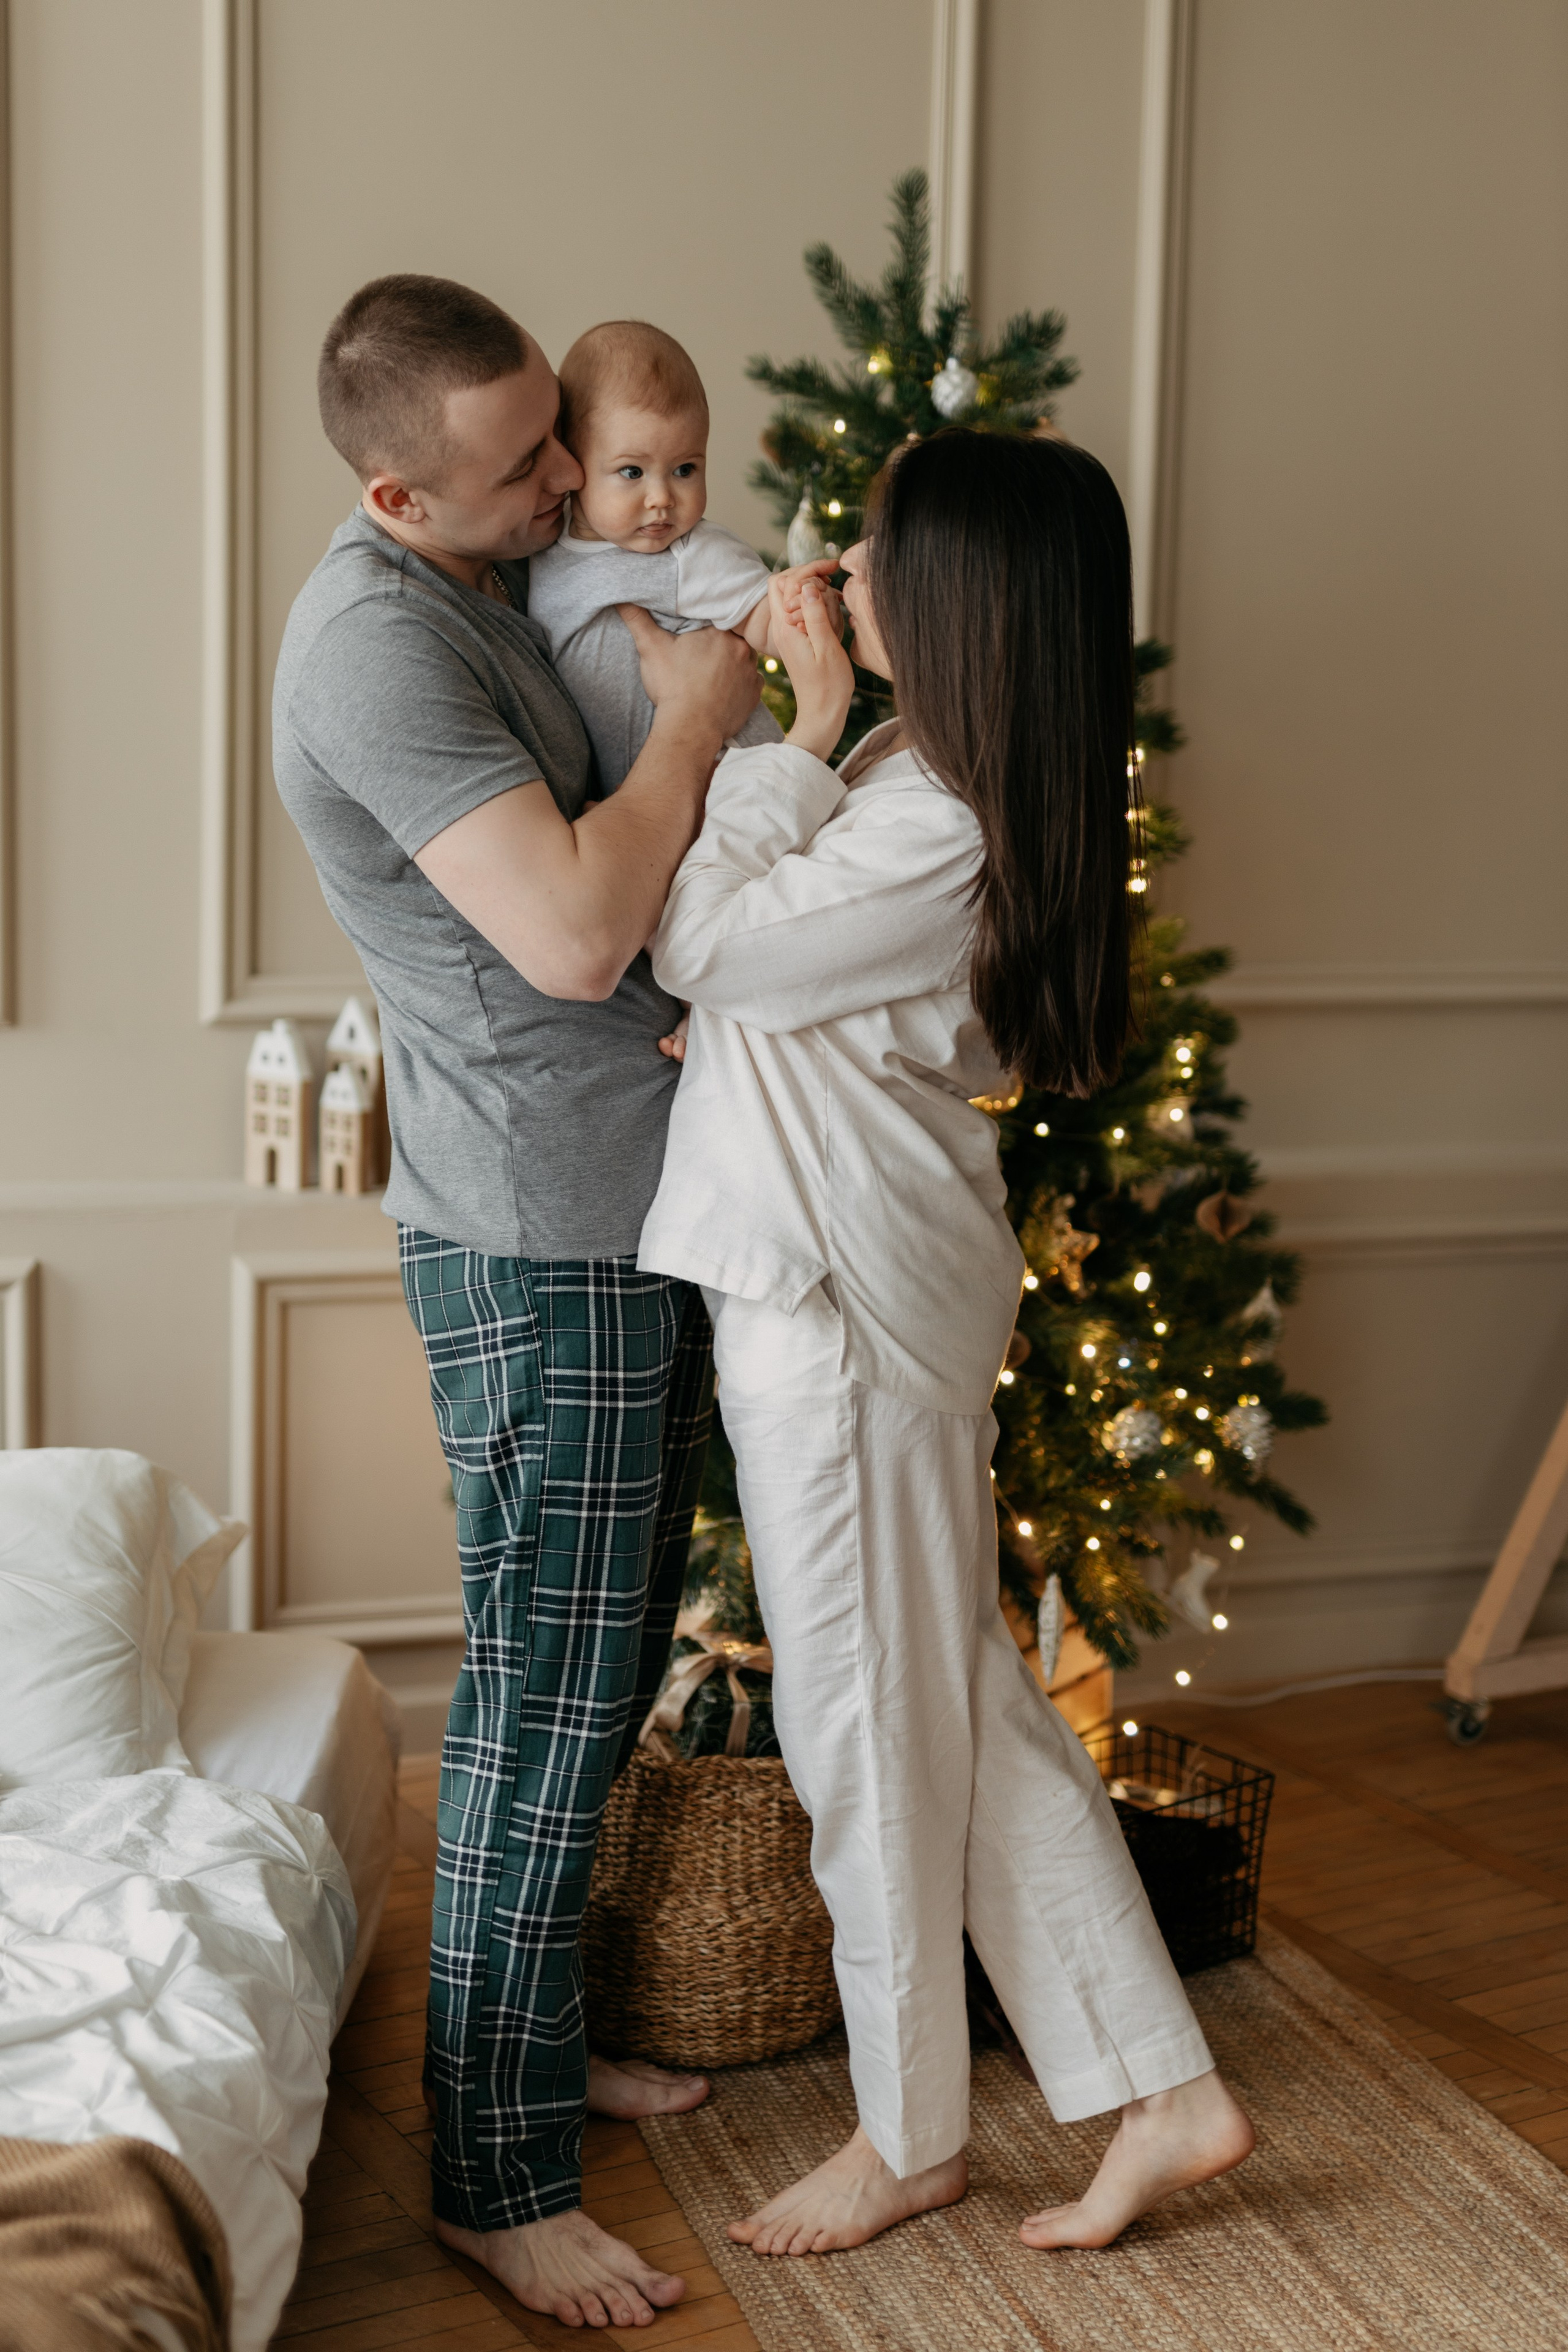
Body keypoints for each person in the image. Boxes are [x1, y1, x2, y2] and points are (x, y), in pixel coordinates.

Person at [638, 430, 1256, 2256]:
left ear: (963, 600)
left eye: (883, 546)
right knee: (962, 1718)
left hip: (836, 1320)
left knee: (864, 1738)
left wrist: (790, 731)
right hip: (845, 1292)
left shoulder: (926, 812)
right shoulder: (932, 781)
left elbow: (701, 940)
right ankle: (1165, 2085)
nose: (842, 564)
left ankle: (908, 2132)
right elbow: (771, 989)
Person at [272, 273, 761, 2332]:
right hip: (532, 1238)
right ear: (400, 487)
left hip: (623, 1210)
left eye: (565, 438)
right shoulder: (375, 644)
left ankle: (536, 2060)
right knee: (541, 1708)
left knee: (608, 1656)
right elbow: (569, 933)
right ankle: (493, 2177)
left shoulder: (494, 581)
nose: (570, 476)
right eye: (522, 464)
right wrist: (713, 716)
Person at [526, 318, 788, 793]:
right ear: (572, 459)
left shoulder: (687, 553)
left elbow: (772, 620)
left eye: (685, 469)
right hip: (641, 797)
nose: (662, 498)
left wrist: (803, 611)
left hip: (732, 781)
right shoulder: (540, 544)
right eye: (632, 472)